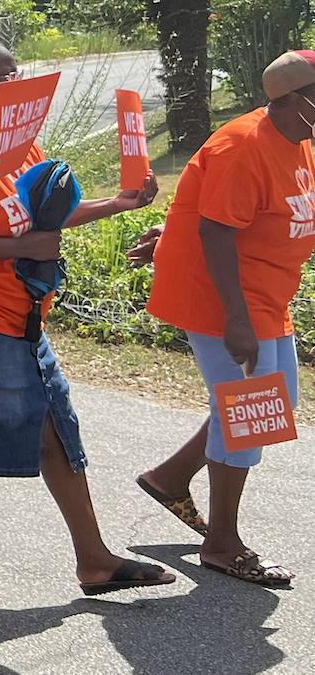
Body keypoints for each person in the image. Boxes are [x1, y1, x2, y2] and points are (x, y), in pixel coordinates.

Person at [0, 16, 170, 605]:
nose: (22, 87)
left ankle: (94, 561)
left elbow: (42, 220)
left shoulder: (17, 145)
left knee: (56, 428)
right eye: (8, 77)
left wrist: (117, 204)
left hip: (20, 314)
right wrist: (21, 248)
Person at [136, 49, 315, 588]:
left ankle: (170, 478)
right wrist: (236, 321)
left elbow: (215, 209)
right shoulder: (243, 145)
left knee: (275, 399)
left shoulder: (299, 139)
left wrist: (170, 236)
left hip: (261, 291)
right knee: (252, 412)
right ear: (296, 99)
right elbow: (216, 229)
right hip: (222, 298)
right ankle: (222, 543)